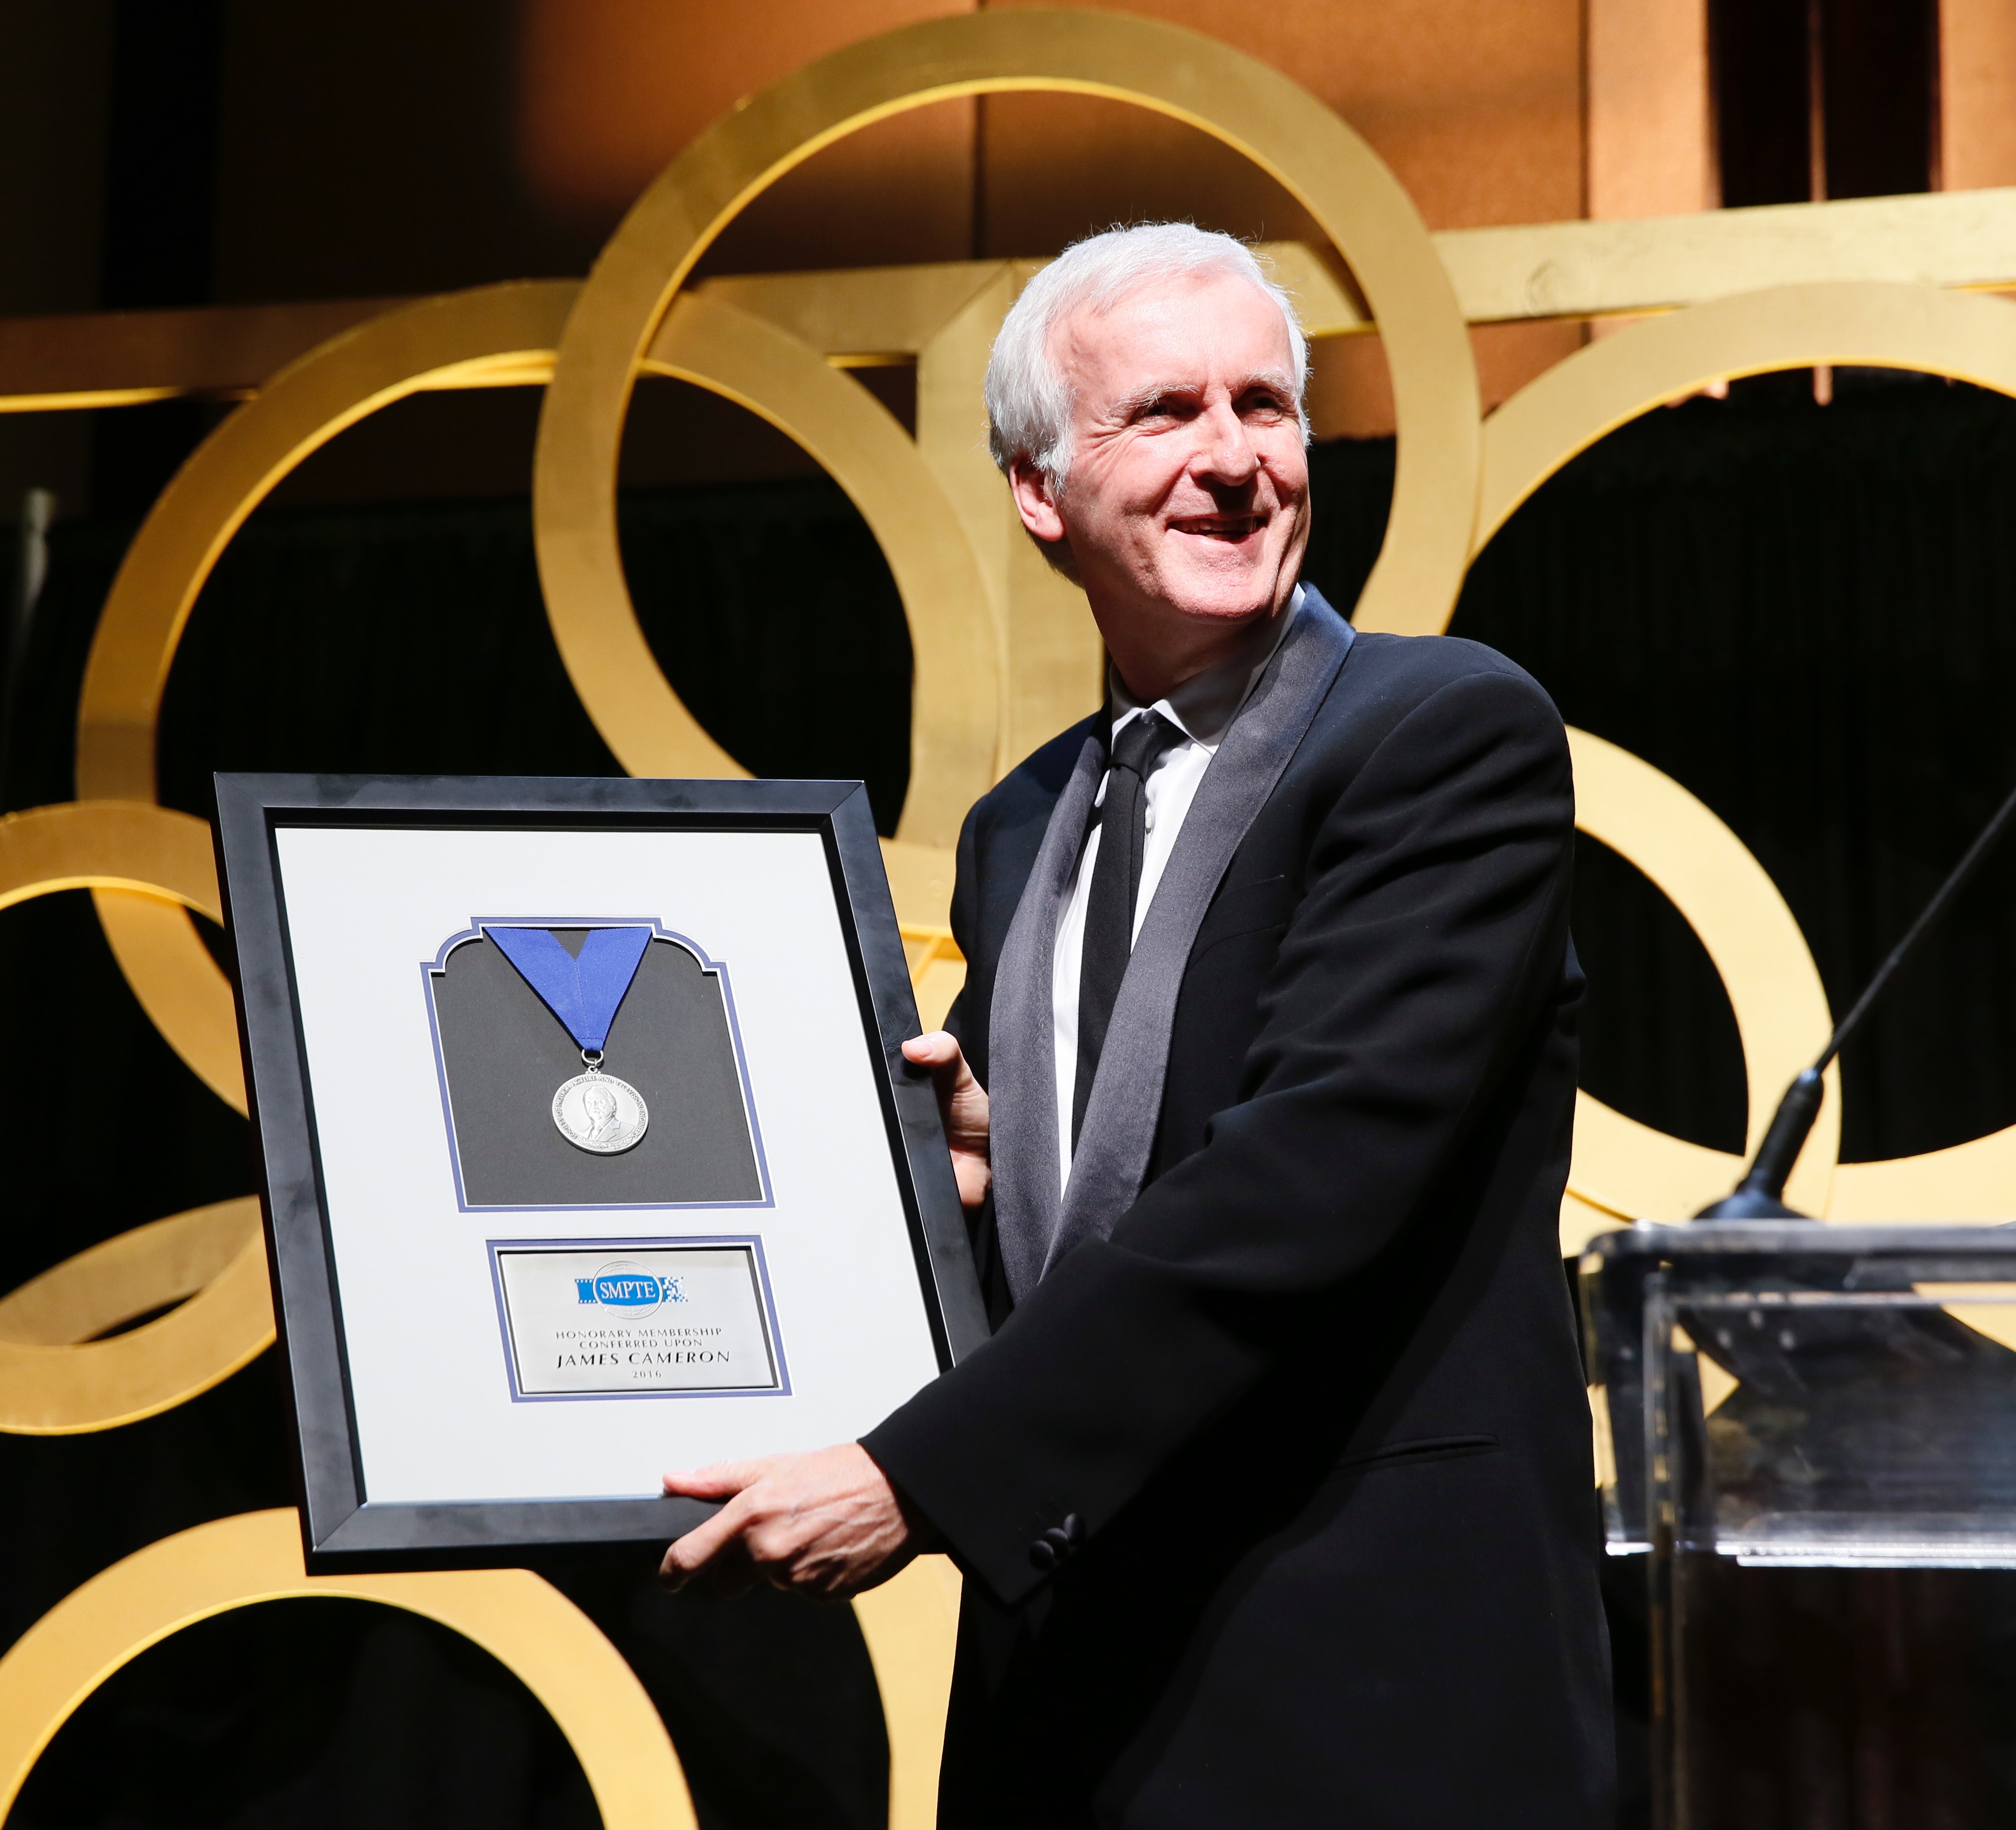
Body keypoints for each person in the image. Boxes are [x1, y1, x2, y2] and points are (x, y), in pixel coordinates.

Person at [658, 222, 1612, 1825]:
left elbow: (1309, 1179)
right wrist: (980, 1182)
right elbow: (1090, 1212)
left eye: (1265, 406)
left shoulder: (1443, 733)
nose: (1234, 459)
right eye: (1166, 412)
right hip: (1076, 1679)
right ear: (1041, 492)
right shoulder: (1023, 825)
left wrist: (918, 1476)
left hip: (1361, 1675)